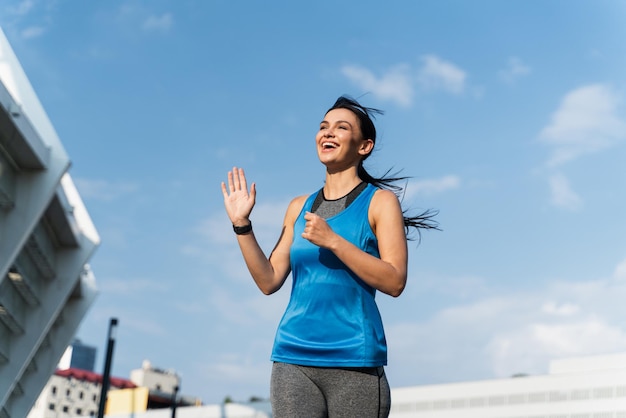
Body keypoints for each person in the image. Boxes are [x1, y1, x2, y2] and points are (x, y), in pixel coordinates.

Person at [221, 95, 438, 417]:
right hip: (293, 357)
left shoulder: (380, 202)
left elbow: (394, 281)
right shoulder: (298, 206)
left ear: (364, 146)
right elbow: (268, 280)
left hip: (355, 359)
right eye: (323, 127)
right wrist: (242, 225)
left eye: (341, 127)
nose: (328, 133)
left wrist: (334, 242)